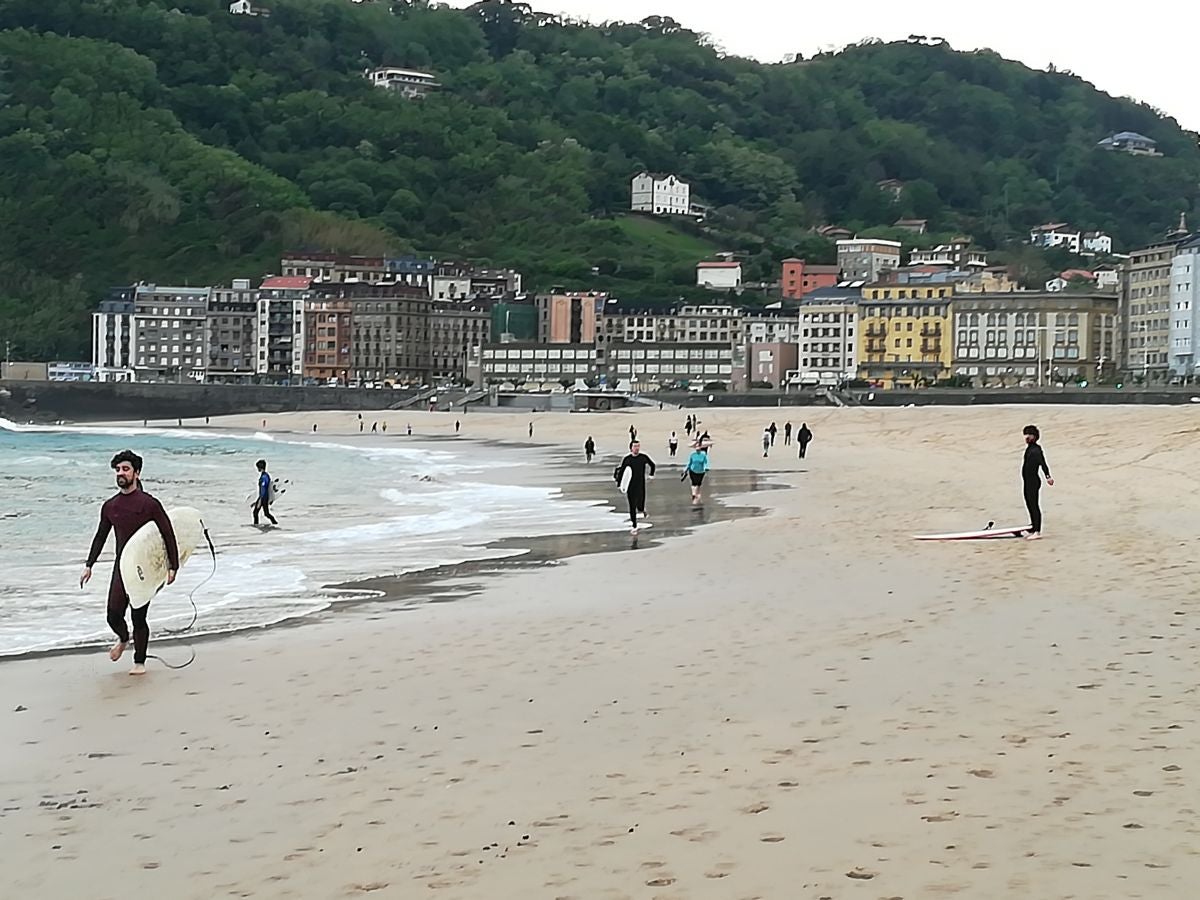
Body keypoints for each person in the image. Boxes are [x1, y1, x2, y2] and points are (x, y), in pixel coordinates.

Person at [80, 450, 178, 676]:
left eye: (125, 469)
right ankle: (124, 638)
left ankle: (139, 662)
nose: (120, 473)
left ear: (137, 473)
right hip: (122, 566)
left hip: (143, 567)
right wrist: (89, 564)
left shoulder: (150, 504)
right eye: (118, 470)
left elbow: (167, 533)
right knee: (113, 615)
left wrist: (173, 566)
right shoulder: (110, 506)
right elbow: (100, 536)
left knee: (138, 616)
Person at [615, 440, 656, 535]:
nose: (637, 448)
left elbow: (652, 465)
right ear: (631, 448)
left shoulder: (643, 457)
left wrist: (651, 475)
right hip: (630, 486)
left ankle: (642, 509)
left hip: (640, 485)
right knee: (632, 506)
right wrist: (619, 484)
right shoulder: (627, 459)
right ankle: (634, 526)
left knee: (640, 505)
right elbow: (622, 472)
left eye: (638, 446)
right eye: (635, 446)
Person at [1022, 425, 1054, 540]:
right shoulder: (1029, 448)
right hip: (1027, 481)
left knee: (1034, 505)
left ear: (1035, 437)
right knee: (1029, 503)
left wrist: (1048, 477)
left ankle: (1037, 531)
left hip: (1033, 482)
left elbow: (1043, 463)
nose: (1027, 437)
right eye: (1026, 435)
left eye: (1029, 435)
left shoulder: (1036, 450)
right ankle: (1033, 526)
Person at [253, 459, 279, 527]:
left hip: (263, 497)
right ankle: (275, 523)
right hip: (263, 497)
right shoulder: (265, 475)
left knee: (256, 513)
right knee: (266, 513)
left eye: (257, 467)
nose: (257, 469)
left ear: (260, 467)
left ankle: (256, 526)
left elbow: (264, 488)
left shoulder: (264, 477)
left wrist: (260, 500)